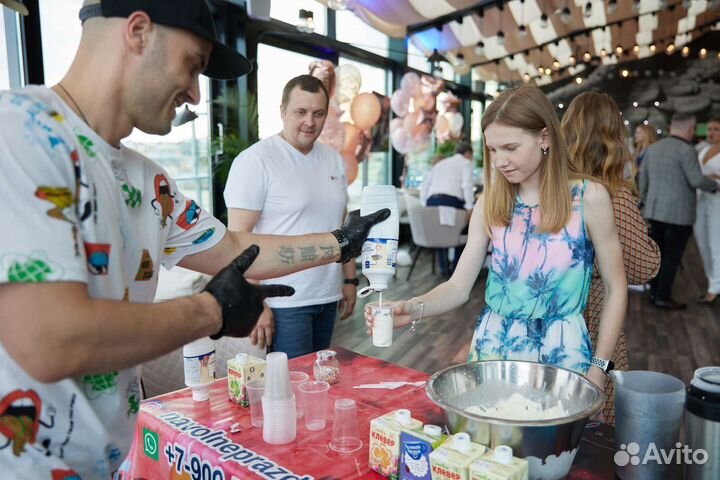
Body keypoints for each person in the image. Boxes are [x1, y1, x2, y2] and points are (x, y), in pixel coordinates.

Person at [0, 1, 388, 478]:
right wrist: (211, 311)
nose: (195, 95)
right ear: (138, 32)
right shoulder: (19, 132)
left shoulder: (151, 182)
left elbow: (236, 251)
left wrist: (339, 244)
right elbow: (50, 338)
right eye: (192, 65)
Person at [366, 86, 627, 392]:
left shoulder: (588, 197)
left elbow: (616, 286)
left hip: (562, 354)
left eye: (510, 147)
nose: (500, 160)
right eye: (492, 149)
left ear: (544, 138)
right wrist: (413, 307)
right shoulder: (490, 201)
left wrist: (599, 367)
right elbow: (458, 286)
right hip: (493, 349)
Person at [224, 74, 358, 359]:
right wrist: (255, 302)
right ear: (283, 111)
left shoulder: (332, 158)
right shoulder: (256, 160)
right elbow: (238, 240)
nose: (310, 121)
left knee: (319, 383)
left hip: (327, 293)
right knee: (294, 391)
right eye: (301, 112)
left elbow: (342, 226)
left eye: (318, 113)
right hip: (282, 301)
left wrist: (349, 280)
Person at [561, 92, 661, 424]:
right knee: (590, 425)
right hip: (595, 322)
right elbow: (645, 266)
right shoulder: (611, 193)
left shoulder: (551, 187)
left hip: (548, 323)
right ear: (613, 137)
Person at [639, 112, 718, 309]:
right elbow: (696, 180)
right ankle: (662, 297)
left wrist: (647, 200)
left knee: (657, 254)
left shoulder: (653, 148)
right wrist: (715, 184)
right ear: (690, 129)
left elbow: (643, 180)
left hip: (655, 211)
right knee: (672, 257)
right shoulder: (687, 150)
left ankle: (654, 292)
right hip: (679, 214)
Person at [420, 141, 475, 276]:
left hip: (431, 202)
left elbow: (424, 186)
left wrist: (425, 205)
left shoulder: (440, 164)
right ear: (468, 153)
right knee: (465, 231)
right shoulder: (466, 163)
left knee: (441, 235)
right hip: (451, 201)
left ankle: (445, 269)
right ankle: (457, 270)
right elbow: (467, 186)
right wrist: (470, 207)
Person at [694, 117, 720, 304]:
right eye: (709, 128)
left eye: (716, 129)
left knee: (715, 245)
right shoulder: (703, 150)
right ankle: (713, 281)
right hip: (700, 201)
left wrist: (714, 179)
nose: (711, 132)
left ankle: (714, 288)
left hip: (717, 202)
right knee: (703, 244)